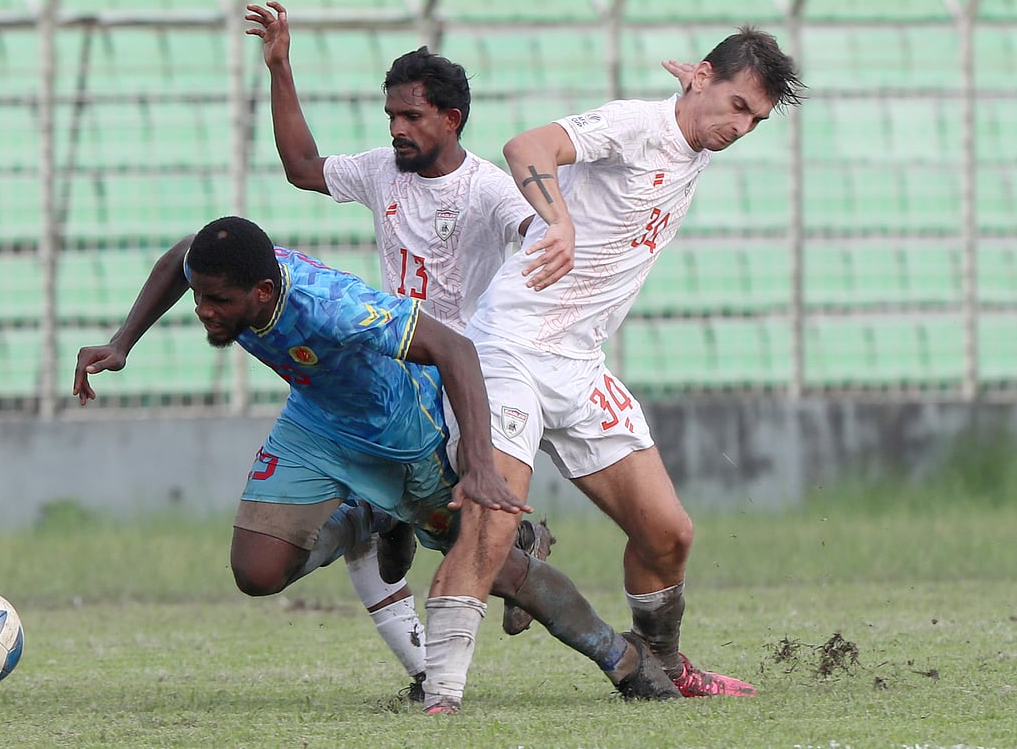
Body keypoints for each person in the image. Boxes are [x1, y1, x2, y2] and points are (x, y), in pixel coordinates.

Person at [73, 216, 683, 714]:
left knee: (489, 562)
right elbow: (179, 256)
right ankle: (373, 518)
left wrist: (478, 466)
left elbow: (455, 349)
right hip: (316, 422)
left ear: (262, 293)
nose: (203, 309)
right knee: (256, 572)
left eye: (217, 300)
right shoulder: (227, 273)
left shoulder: (335, 307)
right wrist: (123, 341)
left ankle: (624, 661)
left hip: (400, 435)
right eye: (200, 295)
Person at [417, 26, 806, 712]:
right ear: (708, 78)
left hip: (576, 360)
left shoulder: (697, 133)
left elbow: (696, 120)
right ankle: (442, 697)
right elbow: (526, 147)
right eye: (739, 106)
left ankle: (661, 664)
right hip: (509, 344)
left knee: (669, 533)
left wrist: (702, 91)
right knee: (493, 523)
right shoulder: (635, 124)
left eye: (755, 119)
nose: (742, 127)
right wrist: (557, 220)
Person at [243, 0, 574, 686]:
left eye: (411, 116)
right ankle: (431, 656)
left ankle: (511, 552)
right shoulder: (380, 171)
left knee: (456, 532)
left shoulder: (487, 190)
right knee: (376, 539)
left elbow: (532, 228)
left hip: (460, 379)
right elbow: (303, 165)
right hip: (396, 370)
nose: (396, 129)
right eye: (391, 115)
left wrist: (553, 236)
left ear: (450, 120)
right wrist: (280, 66)